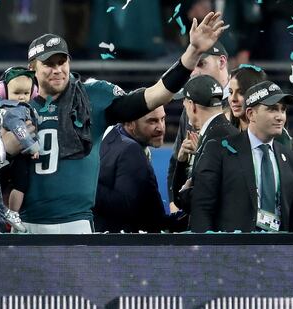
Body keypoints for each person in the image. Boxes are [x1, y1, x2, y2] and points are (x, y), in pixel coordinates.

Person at [13, 13, 227, 233]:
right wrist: (10, 143)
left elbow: (155, 96)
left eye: (62, 61)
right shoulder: (16, 107)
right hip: (29, 220)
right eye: (48, 64)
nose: (57, 69)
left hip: (76, 221)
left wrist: (193, 52)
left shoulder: (92, 97)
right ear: (32, 68)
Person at [191, 81, 293, 232]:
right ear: (251, 114)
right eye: (272, 109)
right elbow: (202, 209)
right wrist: (207, 252)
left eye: (283, 110)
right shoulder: (219, 151)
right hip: (233, 251)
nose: (280, 117)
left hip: (279, 251)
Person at [167, 41, 232, 213]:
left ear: (222, 62)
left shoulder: (239, 102)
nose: (194, 72)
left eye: (201, 64)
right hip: (193, 206)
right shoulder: (190, 103)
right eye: (192, 66)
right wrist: (174, 203)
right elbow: (176, 160)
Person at [94, 106, 178, 233]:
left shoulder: (113, 134)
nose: (161, 128)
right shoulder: (131, 150)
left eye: (163, 119)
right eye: (152, 121)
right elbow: (129, 209)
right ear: (130, 123)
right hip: (125, 246)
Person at [172, 75, 237, 214]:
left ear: (192, 105)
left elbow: (203, 202)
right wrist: (182, 161)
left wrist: (185, 193)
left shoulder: (213, 140)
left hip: (213, 232)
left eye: (184, 103)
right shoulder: (227, 133)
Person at [0, 66, 40, 228]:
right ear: (3, 91)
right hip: (14, 156)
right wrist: (33, 147)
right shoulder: (15, 110)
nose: (22, 98)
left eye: (26, 93)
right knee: (20, 184)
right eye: (17, 93)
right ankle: (13, 213)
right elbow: (20, 130)